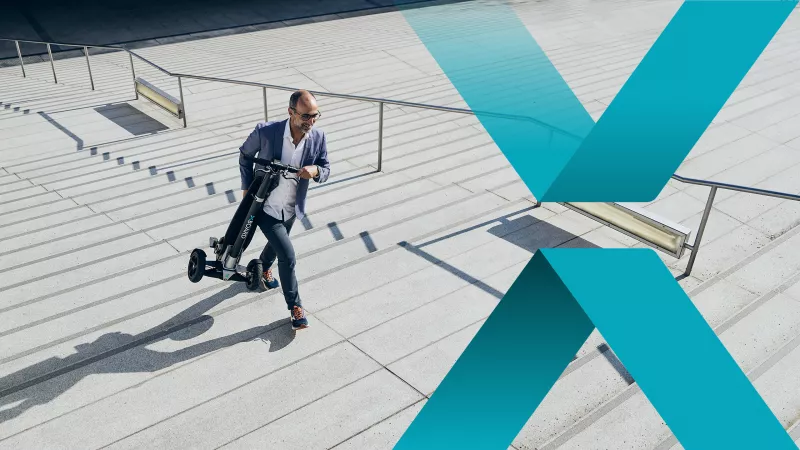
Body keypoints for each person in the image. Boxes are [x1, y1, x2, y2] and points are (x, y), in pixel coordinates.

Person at [238, 90, 330, 330]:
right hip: (265, 206)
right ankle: (295, 307)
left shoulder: (317, 138)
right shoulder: (267, 132)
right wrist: (246, 188)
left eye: (315, 116)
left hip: (291, 208)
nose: (311, 121)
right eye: (306, 116)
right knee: (287, 256)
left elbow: (326, 168)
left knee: (277, 245)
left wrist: (316, 172)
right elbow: (245, 155)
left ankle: (263, 267)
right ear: (291, 112)